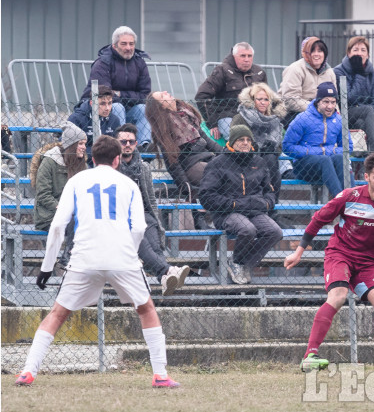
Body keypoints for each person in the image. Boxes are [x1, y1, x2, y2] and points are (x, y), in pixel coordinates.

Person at [16, 135, 180, 388]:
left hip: (84, 259)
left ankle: (28, 372)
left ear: (92, 159)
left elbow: (58, 225)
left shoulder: (77, 180)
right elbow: (138, 227)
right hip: (122, 258)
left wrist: (46, 267)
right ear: (117, 160)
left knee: (57, 314)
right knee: (146, 309)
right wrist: (130, 255)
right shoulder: (128, 184)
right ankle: (160, 375)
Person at [284, 152, 374, 378]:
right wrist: (299, 251)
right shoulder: (350, 196)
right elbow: (319, 218)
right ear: (367, 177)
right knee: (339, 295)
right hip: (340, 254)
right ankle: (309, 357)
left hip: (368, 263)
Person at [199, 125, 283, 284]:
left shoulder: (259, 162)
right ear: (232, 142)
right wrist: (234, 204)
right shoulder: (218, 163)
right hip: (227, 213)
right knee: (247, 229)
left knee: (275, 231)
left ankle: (242, 264)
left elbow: (269, 190)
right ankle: (238, 263)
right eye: (240, 140)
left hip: (254, 211)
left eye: (248, 140)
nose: (245, 143)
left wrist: (266, 204)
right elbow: (206, 195)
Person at [115, 124, 190, 295]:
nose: (127, 144)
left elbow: (151, 199)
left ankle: (164, 278)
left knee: (155, 245)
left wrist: (156, 221)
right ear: (116, 143)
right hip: (122, 218)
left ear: (136, 144)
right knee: (142, 243)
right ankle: (167, 271)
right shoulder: (113, 168)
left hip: (143, 213)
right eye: (123, 141)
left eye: (131, 141)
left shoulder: (143, 167)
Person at [145, 91, 222, 229]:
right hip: (191, 165)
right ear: (161, 107)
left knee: (231, 167)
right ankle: (203, 214)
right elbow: (172, 162)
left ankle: (215, 215)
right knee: (219, 172)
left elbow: (207, 141)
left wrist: (229, 153)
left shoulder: (187, 114)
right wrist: (186, 187)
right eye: (162, 96)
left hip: (207, 158)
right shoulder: (164, 127)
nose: (165, 92)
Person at [80, 26, 152, 149]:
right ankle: (121, 144)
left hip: (129, 110)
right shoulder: (102, 63)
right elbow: (105, 95)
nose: (128, 48)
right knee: (117, 106)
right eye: (124, 44)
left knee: (142, 108)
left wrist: (119, 94)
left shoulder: (140, 63)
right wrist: (127, 96)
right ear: (114, 46)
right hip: (100, 112)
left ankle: (143, 146)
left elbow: (145, 95)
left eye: (131, 44)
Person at [31, 122, 88, 270]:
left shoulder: (81, 163)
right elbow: (43, 194)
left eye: (84, 143)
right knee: (74, 219)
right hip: (48, 214)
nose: (84, 147)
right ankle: (68, 256)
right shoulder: (49, 162)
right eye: (80, 143)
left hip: (74, 213)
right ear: (71, 145)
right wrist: (64, 208)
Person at [282, 82, 354, 197]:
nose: (330, 106)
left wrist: (329, 151)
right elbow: (287, 147)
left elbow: (348, 147)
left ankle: (353, 197)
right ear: (318, 102)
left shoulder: (339, 120)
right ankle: (342, 201)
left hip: (329, 166)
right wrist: (316, 152)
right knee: (324, 160)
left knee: (340, 158)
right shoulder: (303, 118)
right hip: (304, 167)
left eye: (333, 102)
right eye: (326, 101)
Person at [195, 42, 267, 142]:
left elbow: (266, 97)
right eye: (243, 56)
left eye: (249, 56)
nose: (246, 59)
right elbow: (202, 96)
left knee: (269, 138)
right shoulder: (222, 70)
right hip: (227, 116)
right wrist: (212, 124)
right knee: (238, 138)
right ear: (234, 56)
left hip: (254, 116)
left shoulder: (259, 72)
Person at [231, 83, 287, 204]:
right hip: (245, 159)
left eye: (266, 99)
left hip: (268, 161)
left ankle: (271, 205)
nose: (263, 102)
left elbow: (279, 146)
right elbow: (235, 141)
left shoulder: (274, 120)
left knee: (271, 158)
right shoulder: (241, 117)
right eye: (259, 99)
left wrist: (272, 147)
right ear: (252, 100)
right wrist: (255, 148)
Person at [333, 36, 374, 152]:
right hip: (345, 113)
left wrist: (363, 109)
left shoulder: (372, 74)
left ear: (368, 54)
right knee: (367, 111)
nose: (359, 53)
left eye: (363, 50)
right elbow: (348, 99)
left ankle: (369, 164)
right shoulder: (339, 71)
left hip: (364, 118)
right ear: (349, 53)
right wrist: (359, 73)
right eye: (355, 50)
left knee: (367, 123)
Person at [279, 37, 336, 126]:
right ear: (306, 54)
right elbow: (290, 100)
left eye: (320, 51)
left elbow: (334, 98)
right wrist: (315, 108)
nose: (316, 54)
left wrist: (337, 114)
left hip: (323, 112)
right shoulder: (295, 69)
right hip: (295, 114)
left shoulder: (330, 72)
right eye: (312, 51)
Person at [68, 85, 121, 163]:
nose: (107, 108)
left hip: (107, 163)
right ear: (92, 103)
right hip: (83, 162)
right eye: (103, 104)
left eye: (109, 103)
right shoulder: (76, 119)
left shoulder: (114, 120)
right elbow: (70, 147)